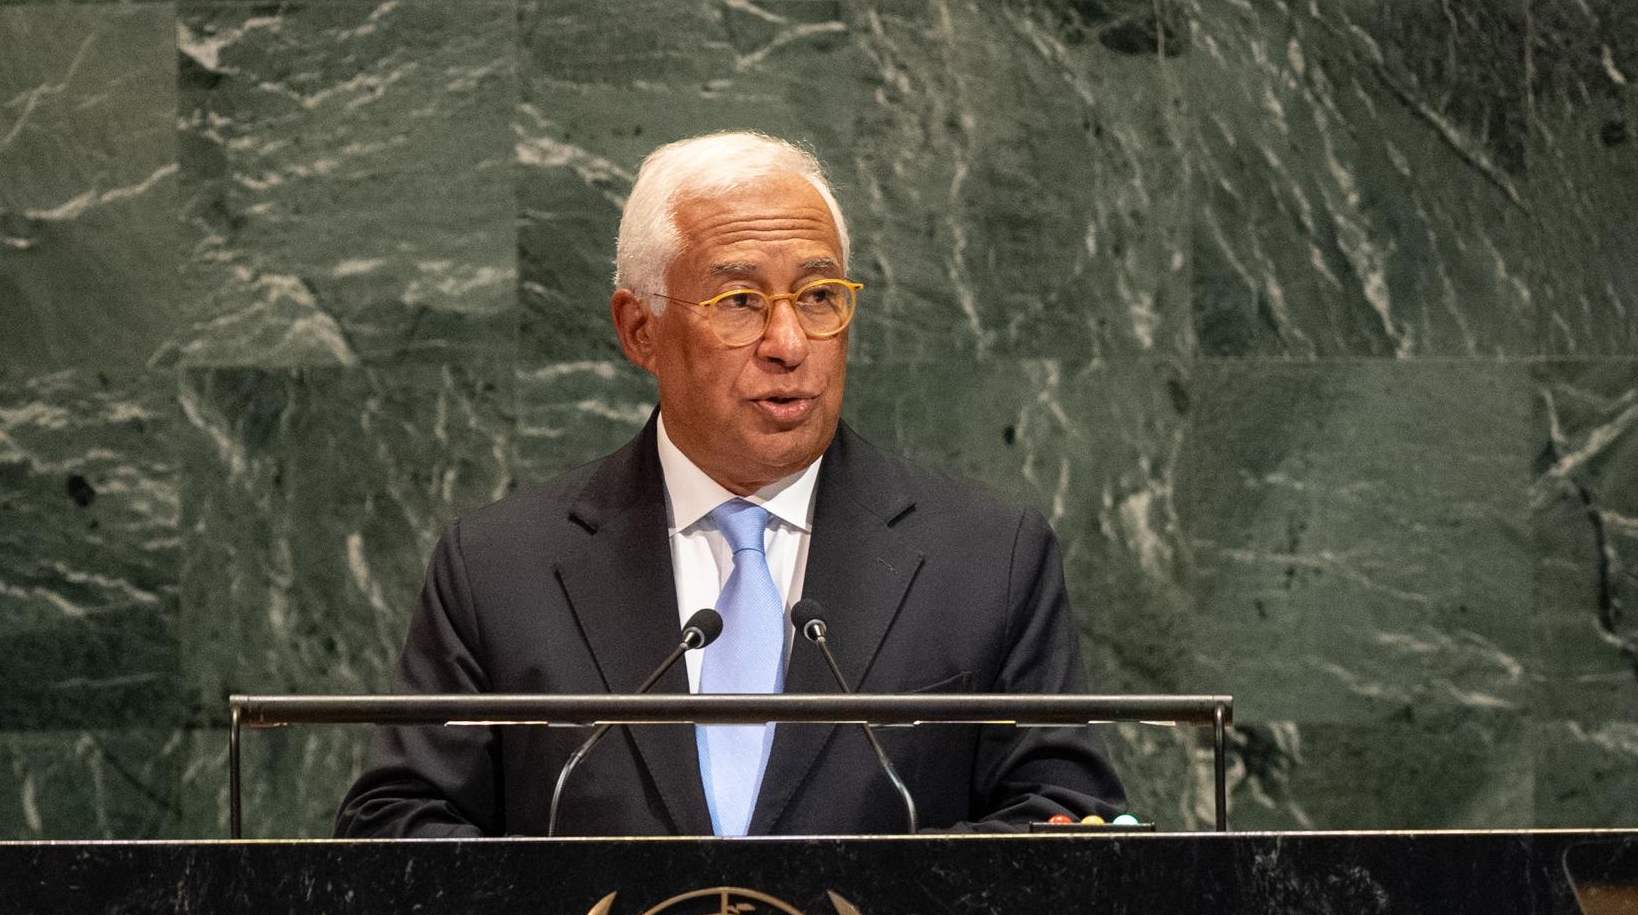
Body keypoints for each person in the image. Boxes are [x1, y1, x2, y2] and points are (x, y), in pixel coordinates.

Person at [336, 131, 1123, 839]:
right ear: (640, 330)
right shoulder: (500, 569)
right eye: (740, 301)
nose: (788, 343)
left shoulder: (986, 556)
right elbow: (398, 825)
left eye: (818, 297)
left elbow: (1062, 817)